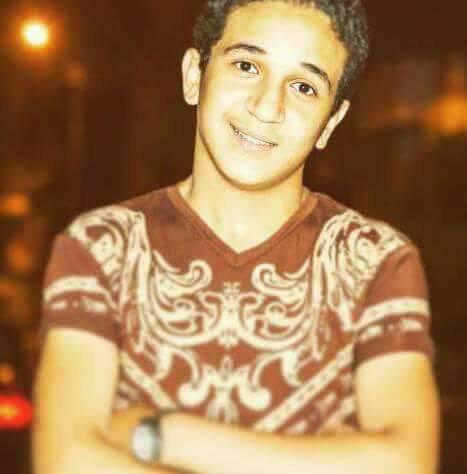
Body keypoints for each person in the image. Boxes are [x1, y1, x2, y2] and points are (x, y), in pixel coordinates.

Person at [33, 1, 440, 473]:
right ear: (194, 75)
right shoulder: (101, 247)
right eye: (247, 66)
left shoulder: (375, 261)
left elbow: (406, 462)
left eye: (304, 87)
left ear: (331, 121)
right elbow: (66, 460)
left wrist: (165, 435)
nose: (267, 106)